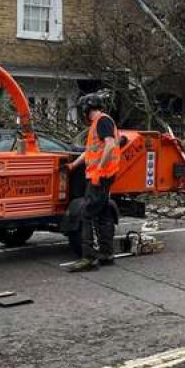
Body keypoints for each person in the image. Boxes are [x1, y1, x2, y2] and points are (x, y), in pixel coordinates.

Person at [66, 93, 120, 272]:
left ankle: (88, 258)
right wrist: (74, 164)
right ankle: (107, 254)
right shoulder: (98, 124)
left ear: (86, 108)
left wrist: (98, 172)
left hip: (101, 177)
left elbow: (110, 145)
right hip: (103, 176)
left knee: (87, 214)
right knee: (103, 213)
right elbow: (91, 151)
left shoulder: (102, 121)